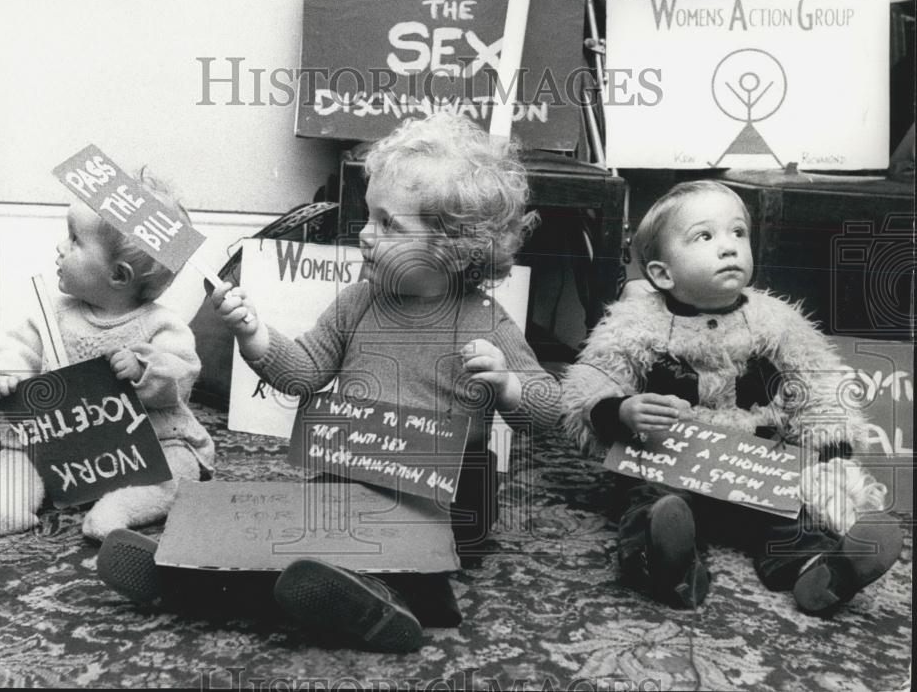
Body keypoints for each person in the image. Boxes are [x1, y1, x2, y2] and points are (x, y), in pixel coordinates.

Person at [97, 112, 561, 652]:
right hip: (355, 476)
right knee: (285, 534)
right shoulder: (360, 302)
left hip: (450, 498)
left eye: (389, 225)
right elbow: (304, 374)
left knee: (390, 544)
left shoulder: (487, 322)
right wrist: (254, 335)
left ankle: (389, 602)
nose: (365, 234)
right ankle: (189, 578)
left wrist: (508, 386)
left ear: (456, 247)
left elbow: (547, 408)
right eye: (369, 216)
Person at [561, 180, 903, 615]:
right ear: (662, 274)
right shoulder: (635, 323)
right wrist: (620, 410)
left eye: (738, 233)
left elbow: (818, 377)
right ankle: (667, 559)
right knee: (649, 500)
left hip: (752, 463)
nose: (729, 247)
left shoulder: (775, 321)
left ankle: (822, 571)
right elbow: (591, 379)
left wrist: (830, 448)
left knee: (785, 514)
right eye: (705, 236)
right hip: (671, 460)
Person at [0, 171, 213, 543]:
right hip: (62, 442)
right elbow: (20, 345)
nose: (60, 247)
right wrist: (8, 374)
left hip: (145, 443)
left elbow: (179, 377)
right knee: (16, 448)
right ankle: (7, 506)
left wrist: (144, 369)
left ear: (119, 275)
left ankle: (121, 509)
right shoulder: (53, 314)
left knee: (179, 467)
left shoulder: (162, 325)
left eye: (74, 240)